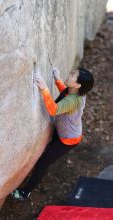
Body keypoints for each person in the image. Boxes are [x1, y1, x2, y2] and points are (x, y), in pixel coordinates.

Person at [11, 67, 94, 200]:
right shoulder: (78, 92)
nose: (70, 74)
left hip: (68, 140)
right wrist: (57, 80)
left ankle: (25, 192)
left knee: (43, 162)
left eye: (73, 75)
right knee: (50, 148)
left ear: (78, 85)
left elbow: (54, 110)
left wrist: (44, 88)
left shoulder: (73, 101)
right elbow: (65, 93)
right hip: (65, 131)